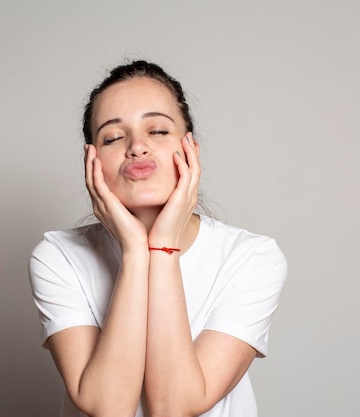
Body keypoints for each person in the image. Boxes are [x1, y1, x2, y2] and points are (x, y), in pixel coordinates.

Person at [29, 60, 287, 417]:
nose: (137, 146)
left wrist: (162, 245)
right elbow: (108, 407)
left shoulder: (251, 258)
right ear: (92, 162)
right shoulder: (58, 256)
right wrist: (136, 253)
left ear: (192, 151)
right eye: (114, 137)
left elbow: (175, 406)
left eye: (159, 131)